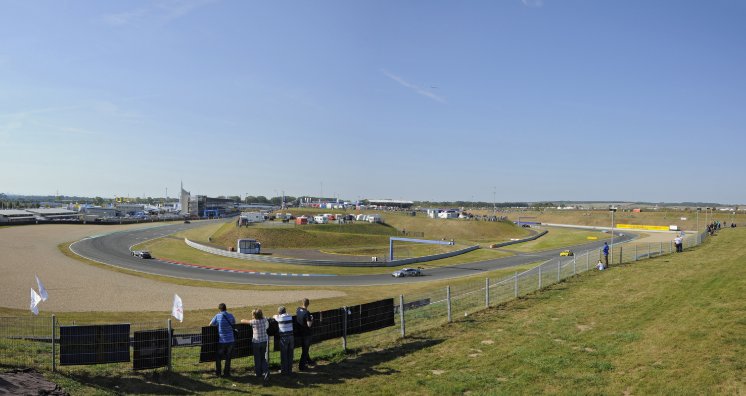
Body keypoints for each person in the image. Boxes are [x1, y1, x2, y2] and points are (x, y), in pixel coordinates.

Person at [241, 309, 270, 383]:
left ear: (254, 316)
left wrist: (251, 319)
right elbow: (266, 321)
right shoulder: (264, 320)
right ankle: (266, 371)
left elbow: (242, 321)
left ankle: (258, 373)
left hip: (256, 342)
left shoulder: (253, 322)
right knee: (263, 357)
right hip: (264, 341)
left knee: (257, 358)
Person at [209, 303, 236, 378]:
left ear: (219, 309)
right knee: (228, 357)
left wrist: (218, 325)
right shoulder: (230, 315)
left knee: (218, 357)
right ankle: (226, 373)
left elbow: (210, 324)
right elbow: (234, 322)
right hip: (231, 340)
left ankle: (218, 373)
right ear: (225, 308)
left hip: (222, 341)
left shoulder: (218, 316)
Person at [274, 306, 294, 375]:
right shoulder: (290, 316)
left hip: (284, 338)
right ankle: (289, 370)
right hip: (291, 337)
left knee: (284, 354)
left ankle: (284, 371)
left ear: (279, 312)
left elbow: (275, 317)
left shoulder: (280, 318)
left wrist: (276, 316)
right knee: (290, 354)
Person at [296, 298, 315, 371]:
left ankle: (309, 361)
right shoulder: (307, 313)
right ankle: (301, 366)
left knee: (304, 349)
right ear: (308, 304)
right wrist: (312, 319)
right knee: (305, 350)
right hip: (306, 334)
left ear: (302, 303)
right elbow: (309, 324)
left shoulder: (298, 309)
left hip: (299, 333)